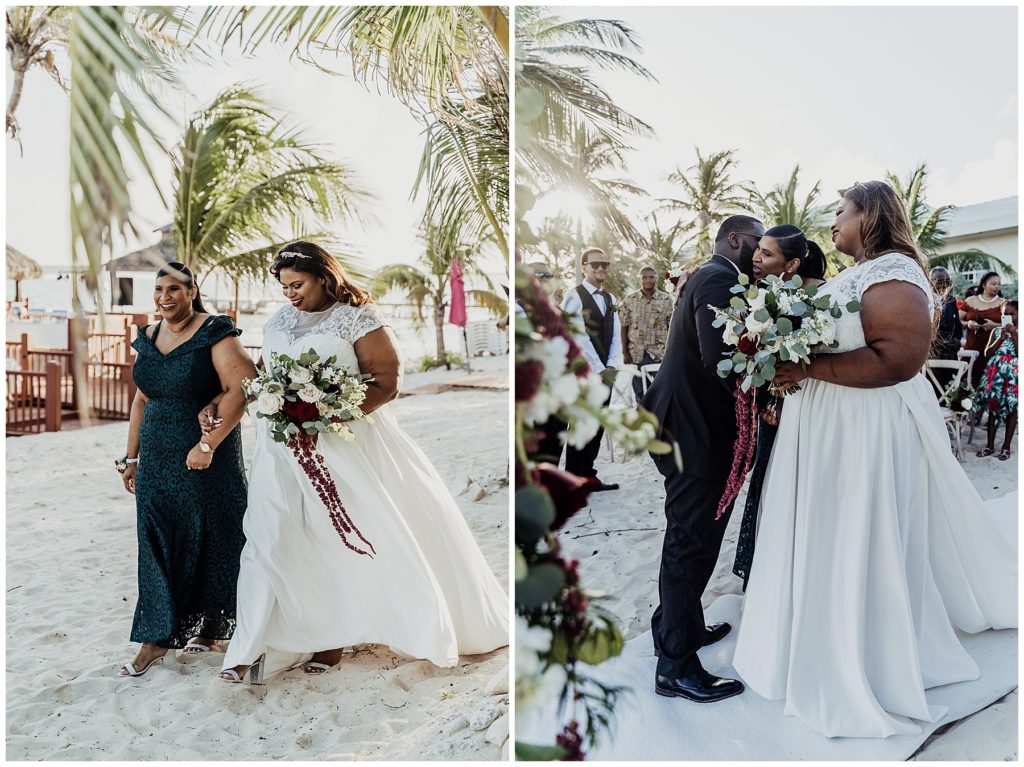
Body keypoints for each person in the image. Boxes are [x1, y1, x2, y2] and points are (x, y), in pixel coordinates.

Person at [732, 181, 1017, 737]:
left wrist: (808, 369)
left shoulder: (896, 273)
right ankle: (812, 640)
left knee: (853, 531)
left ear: (871, 215)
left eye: (842, 211)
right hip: (828, 424)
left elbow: (898, 360)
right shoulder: (857, 273)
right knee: (826, 531)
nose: (833, 221)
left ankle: (862, 655)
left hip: (860, 430)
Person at [211, 242, 508, 684]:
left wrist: (325, 413)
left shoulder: (357, 317)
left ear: (324, 277)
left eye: (298, 284)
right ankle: (251, 645)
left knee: (345, 537)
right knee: (270, 537)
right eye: (284, 286)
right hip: (280, 451)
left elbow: (387, 383)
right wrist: (248, 402)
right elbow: (260, 374)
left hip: (346, 444)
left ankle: (334, 638)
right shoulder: (277, 321)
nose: (290, 294)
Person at [641, 213, 766, 703]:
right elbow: (721, 360)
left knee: (694, 538)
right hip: (693, 431)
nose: (760, 253)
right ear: (734, 239)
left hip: (686, 423)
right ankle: (674, 665)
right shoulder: (718, 278)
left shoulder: (711, 276)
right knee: (690, 543)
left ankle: (680, 625)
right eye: (756, 242)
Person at [116, 262, 256, 676]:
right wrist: (132, 457)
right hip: (157, 457)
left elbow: (243, 387)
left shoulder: (216, 331)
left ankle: (211, 627)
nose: (164, 297)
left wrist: (207, 445)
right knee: (157, 539)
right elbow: (142, 400)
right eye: (158, 289)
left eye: (174, 289)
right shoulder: (148, 337)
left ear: (192, 291)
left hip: (204, 455)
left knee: (212, 536)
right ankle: (156, 639)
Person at [731, 224, 828, 589]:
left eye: (766, 253)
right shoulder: (765, 296)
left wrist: (783, 400)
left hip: (803, 406)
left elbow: (813, 356)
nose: (756, 258)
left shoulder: (816, 297)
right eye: (758, 250)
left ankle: (797, 571)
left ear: (793, 264)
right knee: (769, 482)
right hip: (774, 402)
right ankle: (768, 571)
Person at [560, 247, 623, 491]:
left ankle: (588, 475)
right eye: (595, 264)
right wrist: (598, 368)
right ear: (583, 266)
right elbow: (577, 337)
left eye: (604, 264)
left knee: (597, 426)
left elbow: (616, 335)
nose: (600, 268)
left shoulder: (610, 298)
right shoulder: (574, 296)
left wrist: (612, 365)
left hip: (605, 372)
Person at [524, 261, 569, 464]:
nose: (544, 281)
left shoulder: (555, 310)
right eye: (539, 276)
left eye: (547, 276)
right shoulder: (523, 309)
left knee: (556, 440)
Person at [620, 266, 673, 401]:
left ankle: (659, 421)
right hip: (636, 354)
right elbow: (624, 326)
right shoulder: (630, 299)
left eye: (651, 277)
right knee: (640, 394)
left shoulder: (666, 300)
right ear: (640, 279)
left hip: (659, 353)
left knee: (660, 393)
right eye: (644, 277)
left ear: (656, 278)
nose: (648, 280)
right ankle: (644, 418)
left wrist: (671, 351)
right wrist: (625, 352)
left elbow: (672, 326)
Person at [974, 300, 1018, 460]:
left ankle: (1006, 447)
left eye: (1012, 315)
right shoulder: (997, 331)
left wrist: (1014, 334)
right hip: (995, 374)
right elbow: (987, 352)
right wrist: (1000, 338)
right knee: (993, 408)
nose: (1008, 318)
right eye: (1005, 315)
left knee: (1012, 409)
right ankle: (990, 445)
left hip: (1013, 376)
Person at [960, 271, 1005, 389]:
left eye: (999, 284)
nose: (997, 287)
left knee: (989, 383)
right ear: (984, 285)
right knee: (966, 382)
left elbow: (1010, 325)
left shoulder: (1003, 303)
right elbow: (957, 321)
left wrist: (994, 325)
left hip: (993, 348)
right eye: (993, 284)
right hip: (971, 347)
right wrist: (968, 324)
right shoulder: (970, 301)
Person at [928, 266, 964, 393]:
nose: (943, 284)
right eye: (939, 281)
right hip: (932, 355)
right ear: (930, 281)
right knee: (933, 391)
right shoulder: (925, 299)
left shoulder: (951, 299)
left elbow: (957, 326)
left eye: (946, 281)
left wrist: (957, 342)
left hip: (950, 354)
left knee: (950, 391)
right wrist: (941, 343)